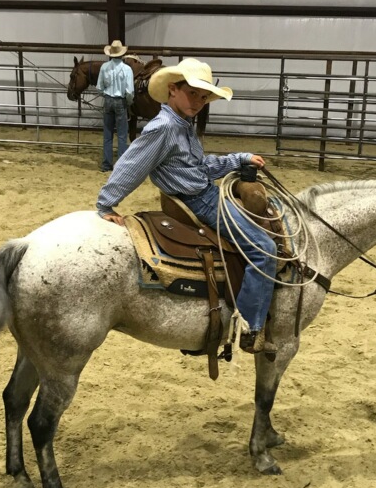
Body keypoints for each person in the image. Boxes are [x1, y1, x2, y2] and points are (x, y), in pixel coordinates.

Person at [96, 57, 277, 354]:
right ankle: (249, 326)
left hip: (203, 193)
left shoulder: (182, 125)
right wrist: (107, 204)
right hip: (200, 202)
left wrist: (240, 158)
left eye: (204, 96)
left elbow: (199, 166)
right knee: (264, 249)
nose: (199, 101)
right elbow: (132, 164)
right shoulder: (164, 127)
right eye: (193, 93)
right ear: (172, 90)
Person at [97, 39, 135, 173]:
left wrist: (107, 95)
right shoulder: (127, 69)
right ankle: (120, 166)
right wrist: (129, 102)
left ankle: (106, 164)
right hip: (120, 101)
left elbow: (99, 88)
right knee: (122, 135)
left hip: (108, 100)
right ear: (122, 53)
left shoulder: (104, 67)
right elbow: (129, 91)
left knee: (107, 134)